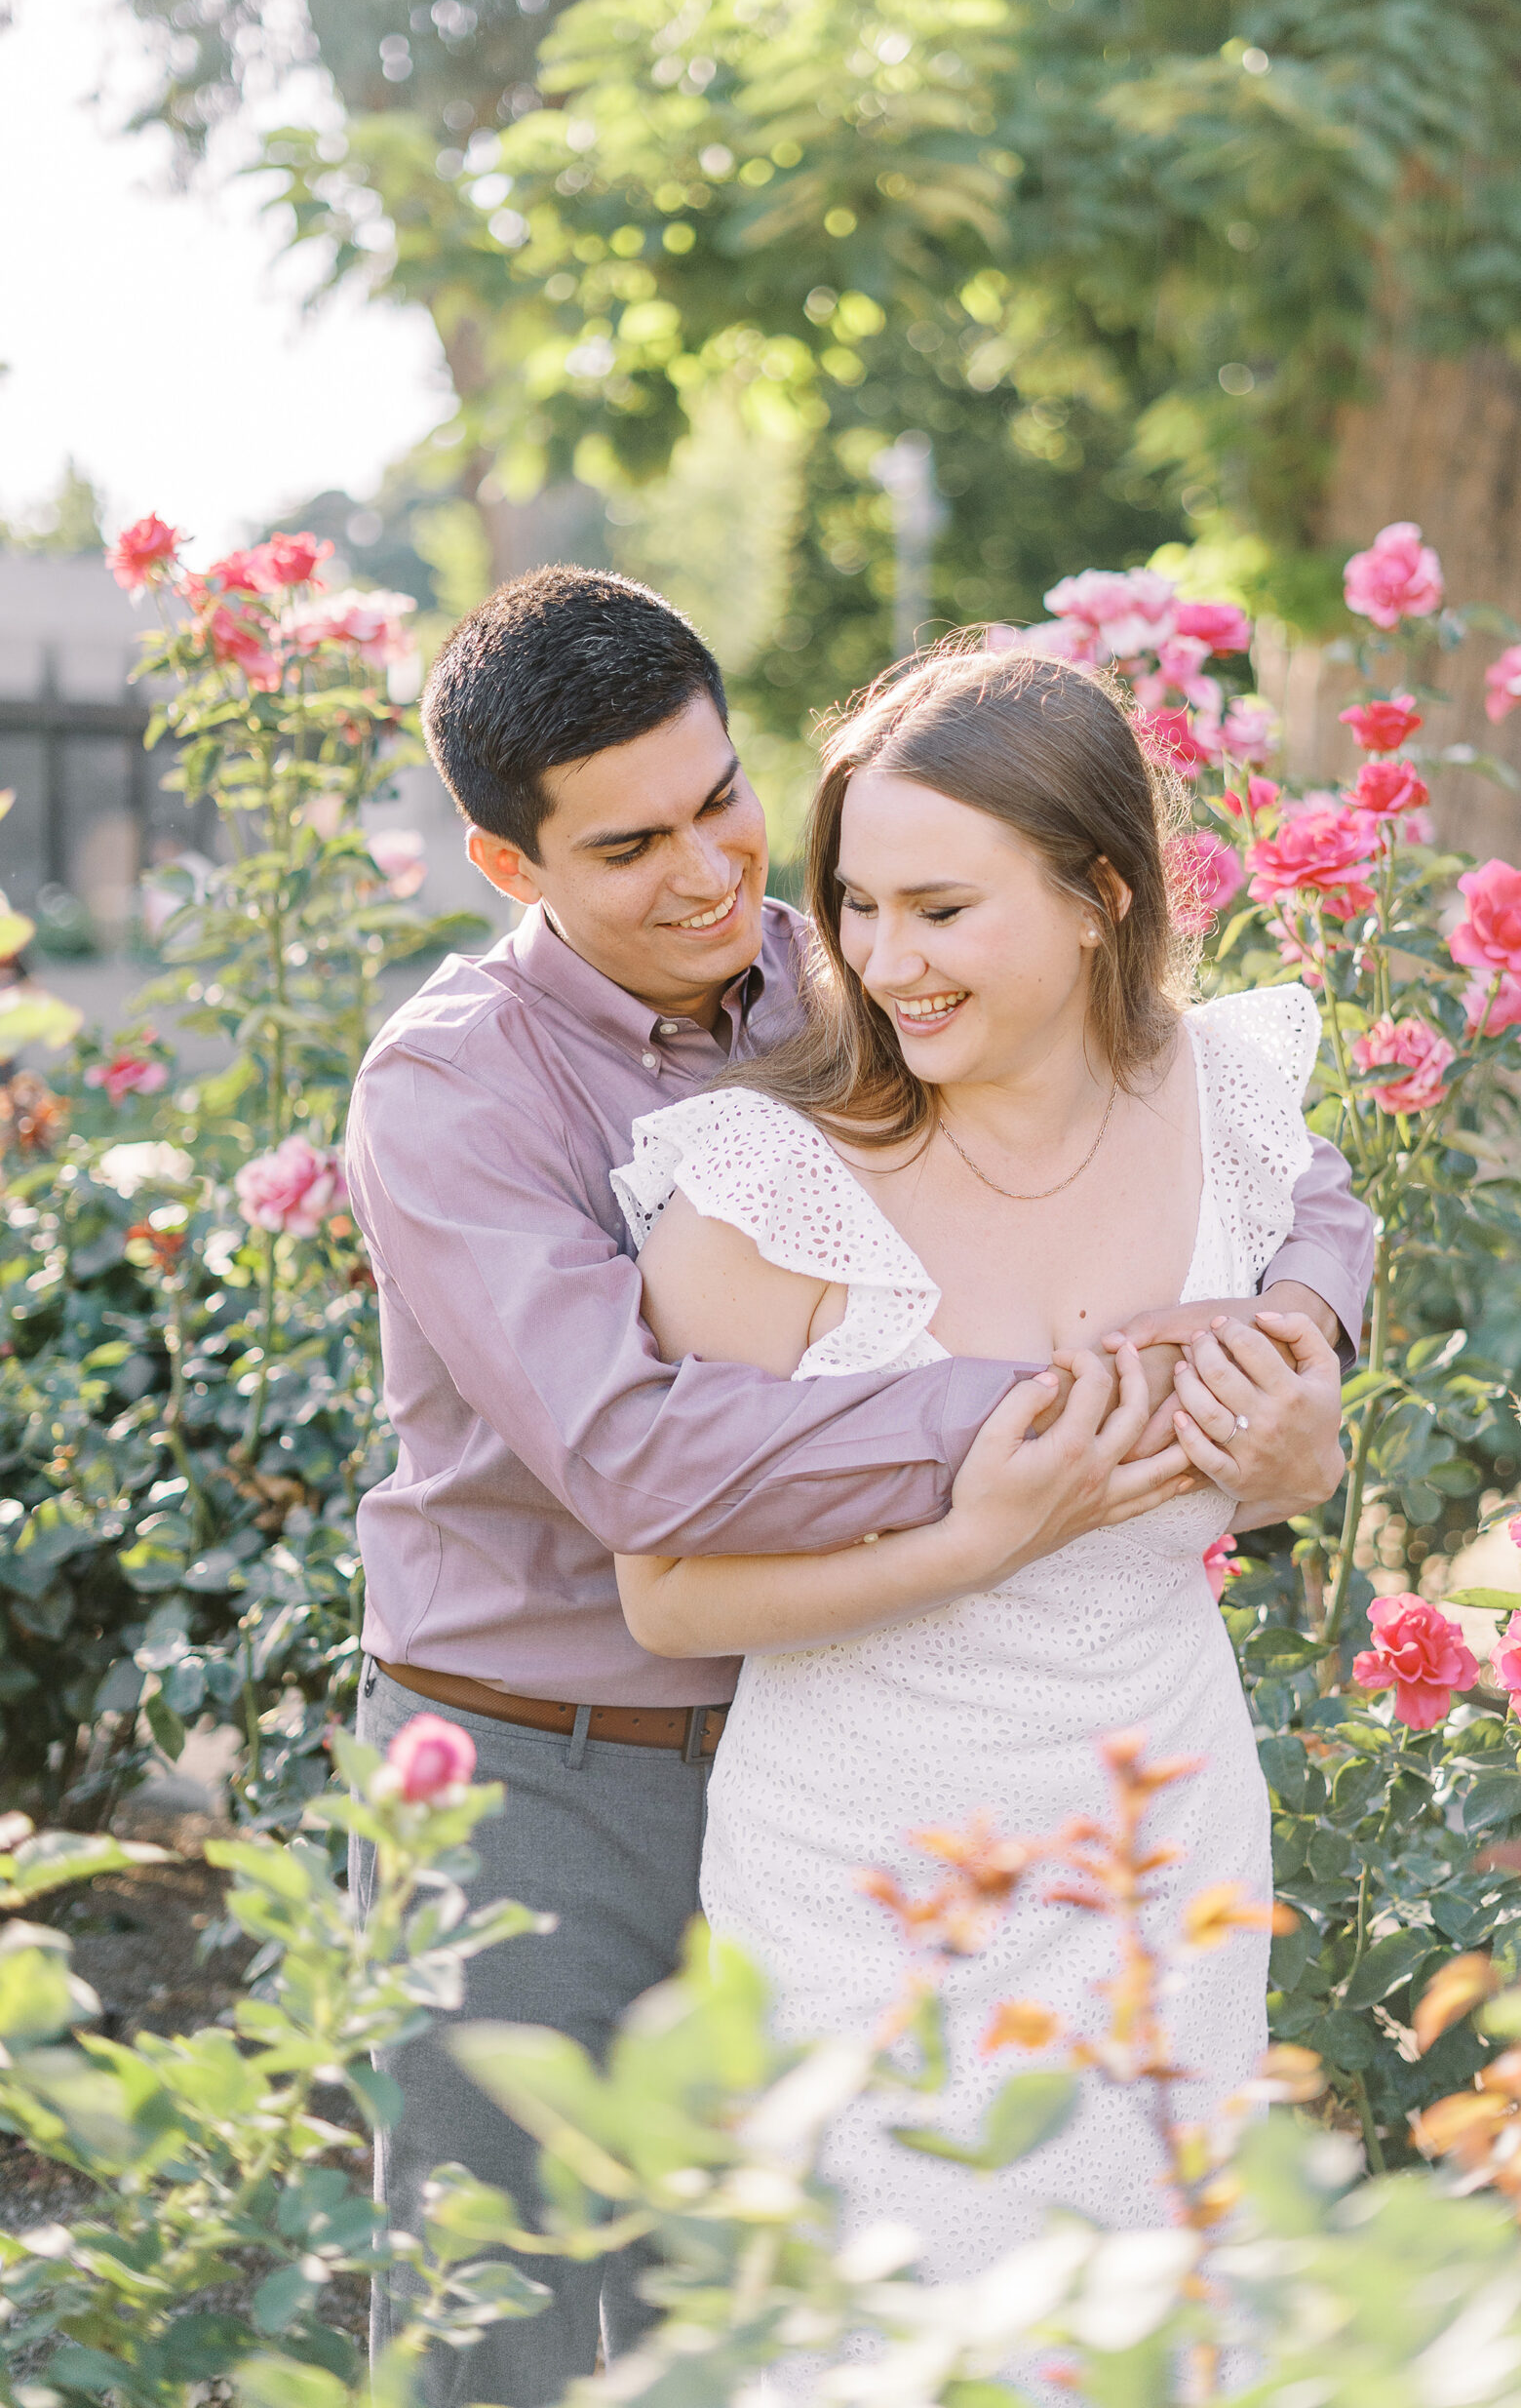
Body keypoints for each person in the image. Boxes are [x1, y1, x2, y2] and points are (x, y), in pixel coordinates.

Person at [342, 569, 1372, 2405]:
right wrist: (1071, 1414)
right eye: (630, 843)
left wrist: (1294, 1347)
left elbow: (1249, 1150)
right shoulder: (455, 1095)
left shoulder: (870, 951)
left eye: (722, 797)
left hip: (833, 1733)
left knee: (725, 2321)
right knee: (491, 2325)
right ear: (514, 868)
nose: (712, 872)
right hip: (539, 1756)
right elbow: (642, 1455)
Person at [610, 642, 1327, 2285]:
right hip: (865, 1884)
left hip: (1165, 1836)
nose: (882, 961)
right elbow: (668, 1596)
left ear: (1099, 897)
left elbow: (1276, 1453)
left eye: (940, 911)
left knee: (1155, 2317)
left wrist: (1299, 1459)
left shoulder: (1231, 1105)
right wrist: (978, 1539)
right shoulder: (764, 1194)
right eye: (858, 906)